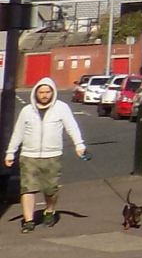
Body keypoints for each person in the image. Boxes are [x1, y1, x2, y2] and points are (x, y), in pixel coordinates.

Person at [6, 77, 87, 232]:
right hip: (29, 155)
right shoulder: (27, 111)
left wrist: (79, 144)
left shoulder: (61, 108)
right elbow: (18, 133)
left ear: (53, 92)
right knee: (27, 189)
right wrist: (10, 153)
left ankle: (49, 210)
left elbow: (72, 127)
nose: (44, 95)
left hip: (52, 155)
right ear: (36, 93)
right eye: (41, 92)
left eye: (47, 92)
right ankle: (28, 221)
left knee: (50, 190)